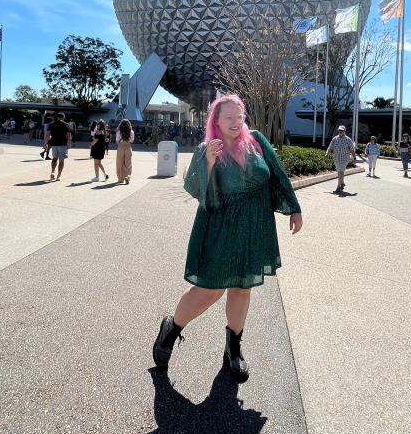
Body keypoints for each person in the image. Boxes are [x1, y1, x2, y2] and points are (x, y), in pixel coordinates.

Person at [151, 94, 302, 382]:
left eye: (239, 116)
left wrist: (293, 208)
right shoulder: (208, 148)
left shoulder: (256, 141)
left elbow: (278, 176)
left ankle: (233, 349)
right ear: (216, 121)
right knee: (210, 289)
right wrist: (207, 162)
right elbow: (196, 188)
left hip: (253, 226)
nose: (235, 122)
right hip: (219, 227)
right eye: (228, 117)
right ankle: (171, 329)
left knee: (242, 288)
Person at [324, 125, 355, 192]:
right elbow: (330, 147)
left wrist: (354, 157)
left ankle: (338, 186)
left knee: (340, 171)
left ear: (344, 131)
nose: (340, 132)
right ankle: (342, 182)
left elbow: (352, 149)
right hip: (336, 158)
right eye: (339, 130)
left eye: (342, 130)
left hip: (344, 158)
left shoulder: (348, 139)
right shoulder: (335, 138)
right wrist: (327, 153)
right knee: (340, 171)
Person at [46, 112, 71, 181]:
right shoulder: (66, 125)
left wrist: (45, 144)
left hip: (54, 144)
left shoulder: (51, 124)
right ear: (63, 117)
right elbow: (69, 136)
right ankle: (58, 176)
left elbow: (47, 135)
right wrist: (69, 145)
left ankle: (52, 172)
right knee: (61, 161)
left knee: (54, 159)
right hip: (63, 144)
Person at [116, 119, 134, 184]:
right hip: (128, 146)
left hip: (121, 146)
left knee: (119, 163)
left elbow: (117, 141)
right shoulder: (131, 132)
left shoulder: (119, 132)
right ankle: (128, 177)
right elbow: (132, 141)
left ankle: (120, 178)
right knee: (128, 163)